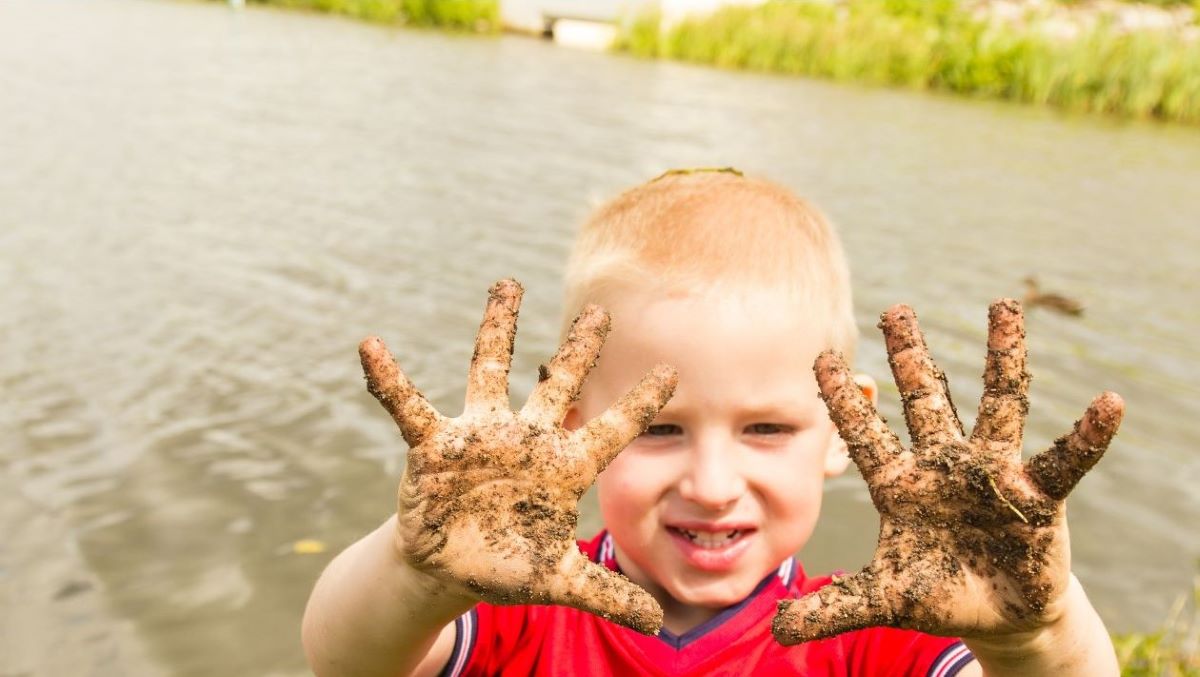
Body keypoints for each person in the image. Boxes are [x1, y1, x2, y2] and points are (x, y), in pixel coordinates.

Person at [301, 169, 1125, 676]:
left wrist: (1033, 638)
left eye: (765, 428)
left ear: (844, 427)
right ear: (579, 430)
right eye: (657, 429)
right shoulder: (516, 601)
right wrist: (416, 574)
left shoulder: (886, 641)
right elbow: (347, 660)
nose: (712, 483)